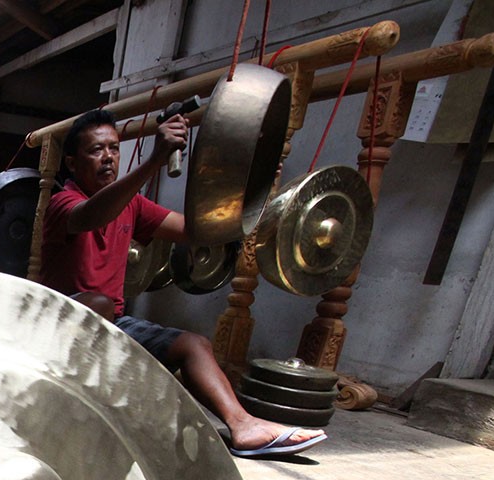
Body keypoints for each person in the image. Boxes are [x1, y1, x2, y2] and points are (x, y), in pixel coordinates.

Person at [41, 108, 326, 458]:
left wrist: (254, 195)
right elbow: (93, 214)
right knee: (98, 304)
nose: (108, 158)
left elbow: (197, 231)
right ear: (71, 162)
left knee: (193, 344)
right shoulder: (62, 202)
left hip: (111, 325)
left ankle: (243, 425)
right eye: (95, 150)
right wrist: (154, 162)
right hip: (57, 326)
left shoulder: (132, 204)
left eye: (114, 149)